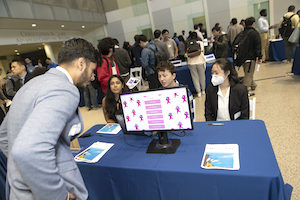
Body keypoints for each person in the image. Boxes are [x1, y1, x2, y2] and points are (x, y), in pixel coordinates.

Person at [0, 38, 100, 200]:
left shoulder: (31, 85)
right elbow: (28, 150)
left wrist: (22, 173)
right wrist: (59, 195)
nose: (92, 77)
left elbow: (4, 136)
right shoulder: (63, 89)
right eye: (92, 70)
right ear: (81, 64)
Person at [241, 17, 262, 91]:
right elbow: (257, 46)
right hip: (250, 57)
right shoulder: (254, 33)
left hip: (242, 57)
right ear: (253, 23)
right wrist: (260, 57)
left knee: (248, 73)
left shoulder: (242, 33)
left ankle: (253, 85)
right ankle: (244, 91)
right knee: (248, 74)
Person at [187, 32, 206, 97]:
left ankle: (198, 92)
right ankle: (203, 90)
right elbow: (202, 51)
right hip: (200, 61)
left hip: (191, 63)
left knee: (195, 78)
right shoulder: (200, 43)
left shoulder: (188, 43)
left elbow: (185, 54)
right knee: (202, 77)